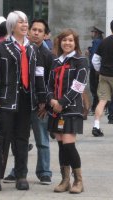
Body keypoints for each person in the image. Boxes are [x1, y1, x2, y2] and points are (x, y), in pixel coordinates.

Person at [0, 11, 46, 191]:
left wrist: (42, 97)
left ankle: (21, 175)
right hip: (6, 99)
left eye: (26, 22)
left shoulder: (32, 48)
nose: (25, 25)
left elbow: (38, 74)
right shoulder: (1, 46)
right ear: (12, 25)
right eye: (21, 22)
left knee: (22, 139)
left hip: (26, 99)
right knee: (2, 139)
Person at [3, 19, 54, 185]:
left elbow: (49, 82)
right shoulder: (18, 49)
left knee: (42, 141)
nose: (36, 33)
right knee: (18, 140)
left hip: (39, 105)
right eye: (34, 29)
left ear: (46, 35)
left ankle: (44, 172)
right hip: (21, 102)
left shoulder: (48, 55)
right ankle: (17, 171)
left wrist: (45, 103)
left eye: (40, 31)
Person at [47, 28, 88, 193]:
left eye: (70, 40)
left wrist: (62, 102)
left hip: (71, 109)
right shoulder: (56, 61)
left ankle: (79, 181)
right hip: (56, 109)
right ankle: (65, 180)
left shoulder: (81, 61)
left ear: (75, 43)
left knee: (69, 145)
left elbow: (79, 86)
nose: (67, 43)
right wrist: (51, 99)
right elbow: (48, 83)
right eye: (64, 40)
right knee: (61, 145)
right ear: (59, 42)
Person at [92, 20, 113, 137]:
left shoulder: (104, 42)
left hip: (105, 75)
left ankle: (96, 126)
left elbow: (95, 60)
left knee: (102, 101)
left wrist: (100, 70)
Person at [87, 26, 104, 115]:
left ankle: (95, 107)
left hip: (95, 69)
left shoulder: (97, 42)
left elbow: (95, 55)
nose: (91, 33)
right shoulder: (99, 41)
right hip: (97, 68)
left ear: (96, 33)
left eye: (93, 32)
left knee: (94, 88)